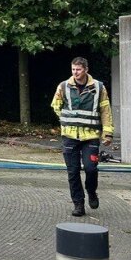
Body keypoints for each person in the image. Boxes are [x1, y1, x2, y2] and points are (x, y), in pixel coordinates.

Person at [51, 57, 114, 217]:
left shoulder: (99, 87)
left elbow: (106, 111)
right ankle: (78, 204)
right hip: (70, 136)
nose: (75, 73)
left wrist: (107, 133)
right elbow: (55, 105)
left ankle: (91, 192)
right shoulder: (64, 86)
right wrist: (67, 119)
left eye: (78, 70)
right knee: (72, 172)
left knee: (91, 169)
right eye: (73, 69)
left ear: (86, 69)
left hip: (90, 136)